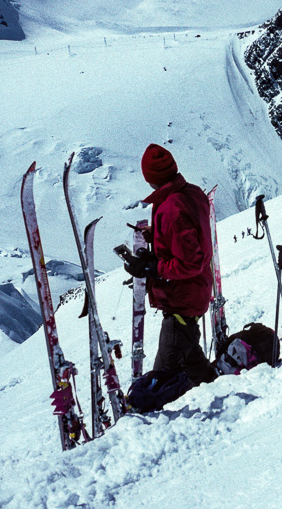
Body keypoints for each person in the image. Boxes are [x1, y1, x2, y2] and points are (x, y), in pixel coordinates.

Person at [123, 143, 217, 386]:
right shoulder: (192, 192)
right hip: (194, 293)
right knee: (188, 355)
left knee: (162, 376)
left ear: (149, 177)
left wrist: (152, 268)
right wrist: (157, 235)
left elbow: (190, 263)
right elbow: (192, 231)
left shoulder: (171, 208)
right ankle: (215, 386)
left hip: (182, 300)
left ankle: (153, 419)